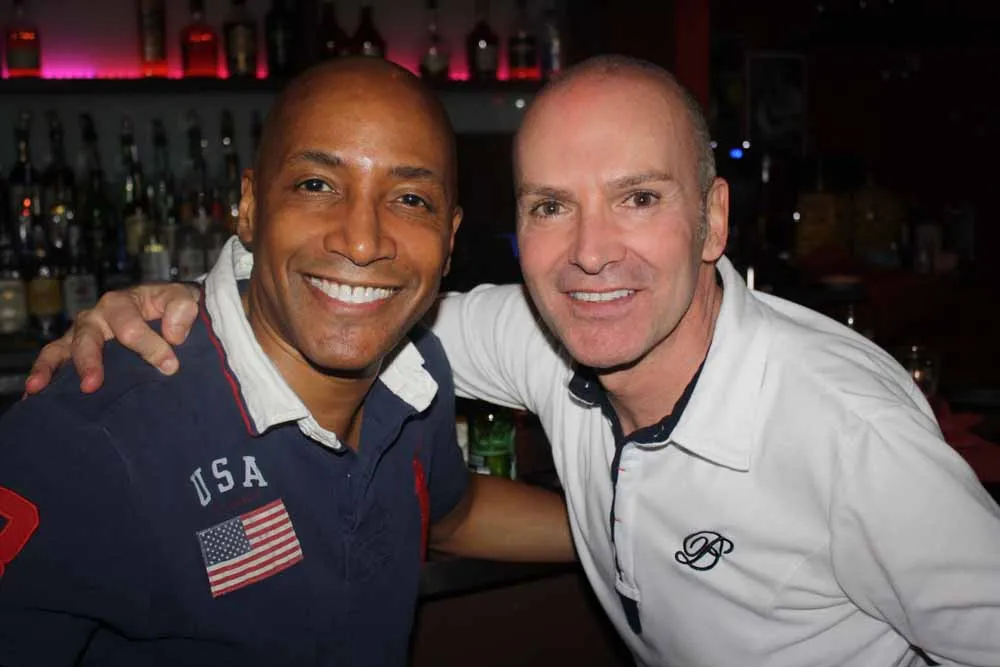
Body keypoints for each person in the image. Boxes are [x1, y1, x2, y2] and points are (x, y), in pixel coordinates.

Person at [25, 55, 1000, 666]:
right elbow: (342, 300)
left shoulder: (846, 431)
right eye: (549, 206)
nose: (590, 252)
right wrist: (180, 300)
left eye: (639, 198)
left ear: (712, 221)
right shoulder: (525, 334)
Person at [0, 58, 573, 667]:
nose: (362, 241)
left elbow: (452, 512)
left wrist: (627, 537)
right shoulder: (86, 438)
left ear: (450, 238)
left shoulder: (417, 369)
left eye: (410, 199)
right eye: (317, 185)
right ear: (249, 207)